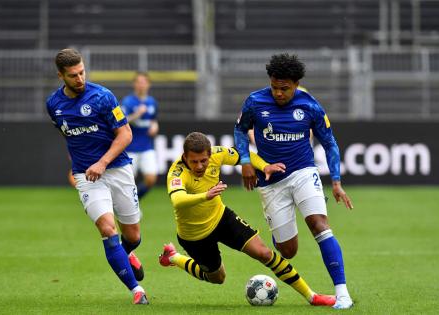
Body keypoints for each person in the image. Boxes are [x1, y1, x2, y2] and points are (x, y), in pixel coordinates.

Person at [158, 131, 336, 306]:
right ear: (184, 157)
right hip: (194, 235)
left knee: (265, 253)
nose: (199, 166)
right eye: (194, 161)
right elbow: (178, 200)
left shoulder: (218, 154)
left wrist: (264, 166)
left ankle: (312, 297)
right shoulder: (177, 172)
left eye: (203, 161)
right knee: (217, 278)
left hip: (221, 218)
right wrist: (206, 195)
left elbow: (245, 155)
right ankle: (174, 257)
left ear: (210, 154)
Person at [234, 53, 354, 309]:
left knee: (319, 224)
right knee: (288, 251)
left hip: (303, 172)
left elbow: (330, 143)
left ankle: (342, 293)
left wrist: (335, 181)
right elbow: (240, 129)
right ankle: (282, 231)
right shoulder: (255, 101)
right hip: (270, 181)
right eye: (275, 87)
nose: (279, 93)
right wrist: (245, 160)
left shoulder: (310, 106)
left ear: (296, 84)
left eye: (285, 89)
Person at [46, 48, 148, 305]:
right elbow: (69, 136)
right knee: (107, 228)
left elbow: (125, 134)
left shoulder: (103, 96)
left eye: (82, 72)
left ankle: (128, 254)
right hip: (87, 176)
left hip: (117, 169)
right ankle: (137, 290)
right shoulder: (54, 105)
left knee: (133, 235)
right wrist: (78, 166)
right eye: (73, 75)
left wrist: (102, 162)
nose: (80, 78)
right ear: (60, 75)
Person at [120, 72, 159, 200]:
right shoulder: (128, 101)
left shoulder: (152, 102)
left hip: (147, 146)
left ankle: (135, 202)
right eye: (138, 82)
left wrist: (155, 126)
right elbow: (121, 121)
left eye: (144, 82)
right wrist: (137, 114)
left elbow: (153, 119)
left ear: (148, 84)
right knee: (127, 183)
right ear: (134, 84)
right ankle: (128, 206)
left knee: (151, 179)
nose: (141, 85)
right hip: (130, 147)